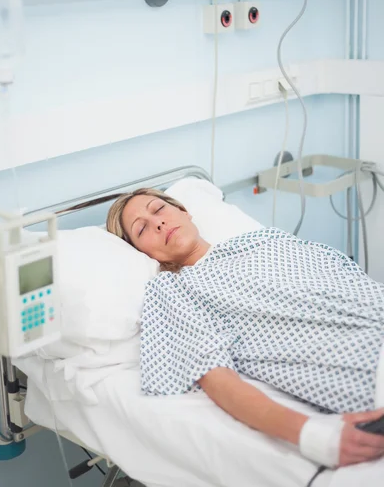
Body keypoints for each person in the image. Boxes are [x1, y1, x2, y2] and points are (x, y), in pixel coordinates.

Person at [107, 188, 384, 471]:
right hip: (370, 367)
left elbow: (349, 277)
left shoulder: (265, 240)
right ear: (144, 253)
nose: (158, 223)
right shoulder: (174, 290)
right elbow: (218, 380)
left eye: (158, 209)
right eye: (142, 229)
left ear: (183, 211)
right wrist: (313, 436)